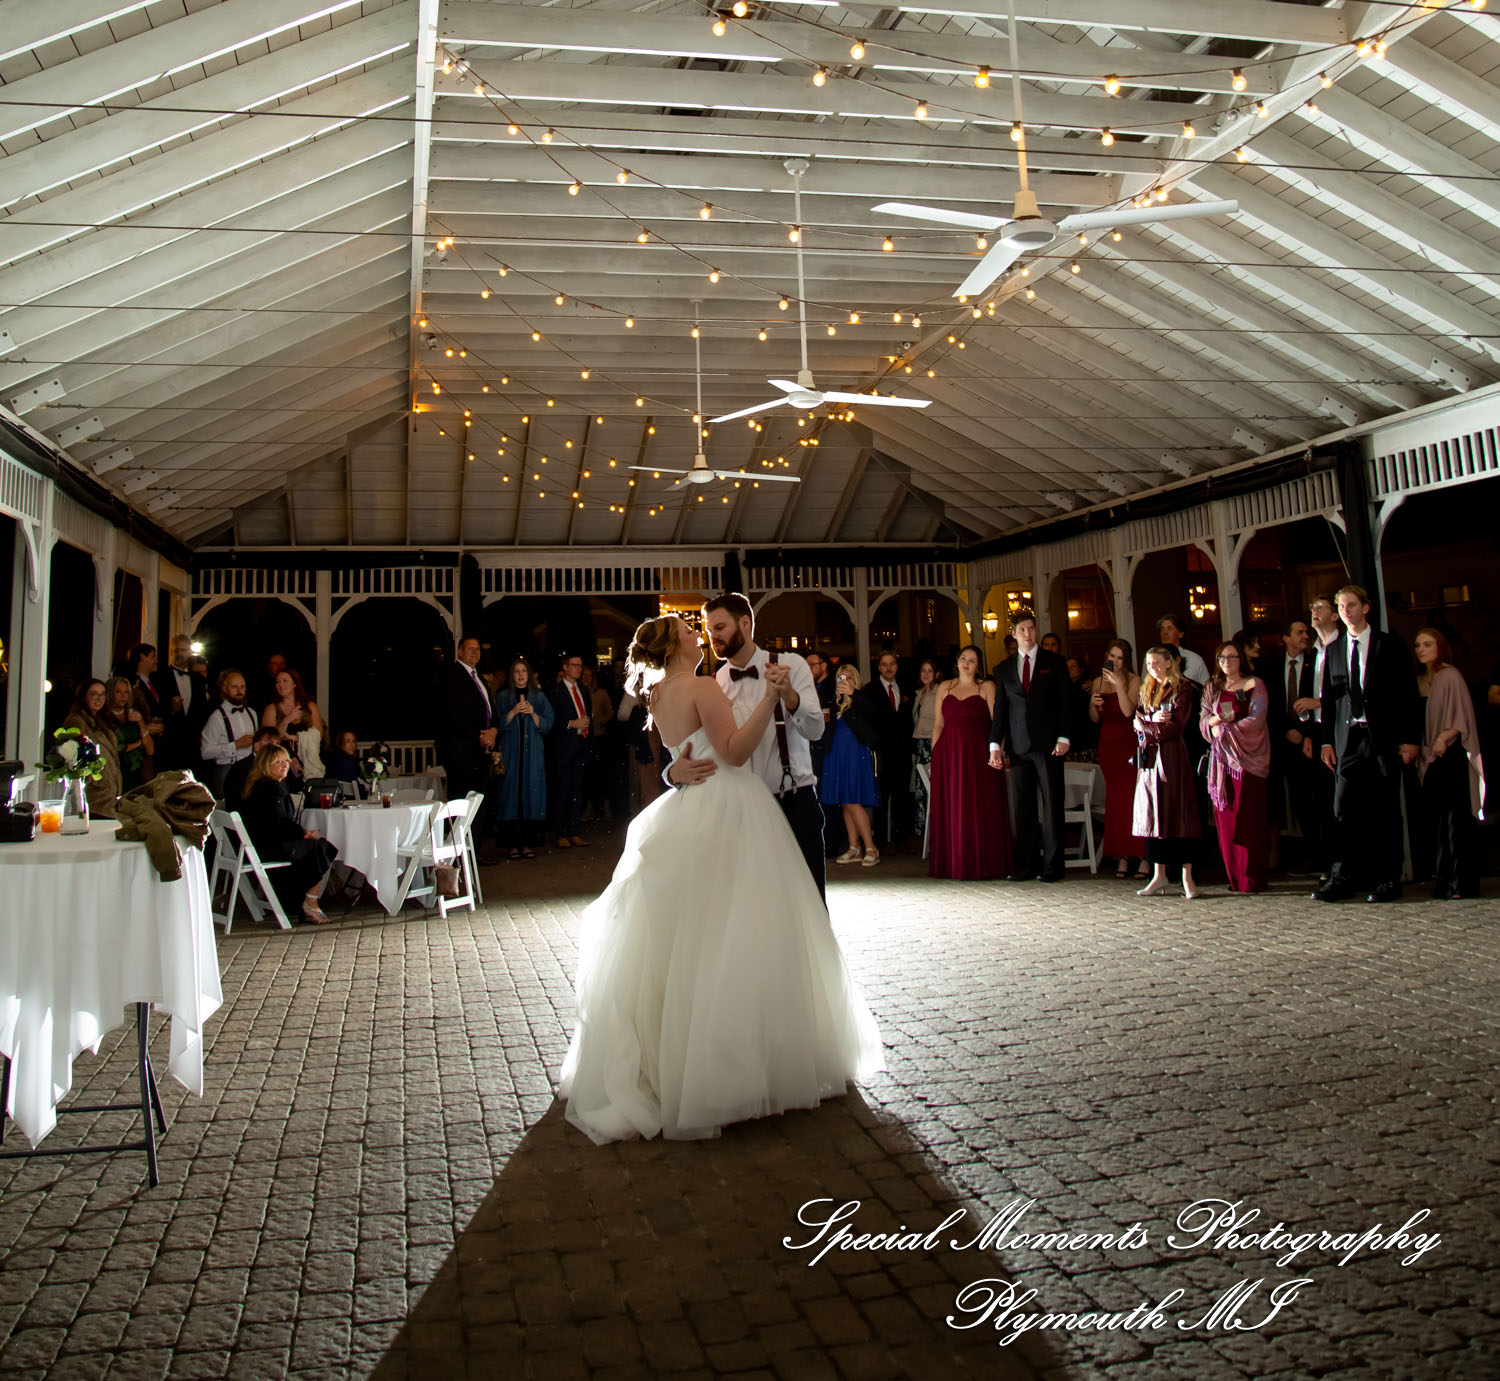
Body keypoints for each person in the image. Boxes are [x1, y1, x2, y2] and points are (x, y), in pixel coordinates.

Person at [558, 615, 880, 1144]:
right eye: (691, 633)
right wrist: (769, 705)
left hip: (689, 807)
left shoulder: (659, 693)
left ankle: (672, 1063)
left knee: (691, 937)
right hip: (730, 804)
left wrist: (670, 773)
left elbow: (678, 758)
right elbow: (732, 753)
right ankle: (737, 1066)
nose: (700, 638)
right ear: (676, 646)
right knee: (739, 932)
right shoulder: (705, 684)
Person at [666, 594, 828, 901]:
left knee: (809, 906)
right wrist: (672, 772)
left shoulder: (791, 665)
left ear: (746, 623)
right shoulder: (713, 684)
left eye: (721, 627)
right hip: (739, 813)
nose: (713, 635)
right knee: (755, 909)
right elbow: (693, 748)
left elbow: (816, 729)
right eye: (709, 629)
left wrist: (789, 697)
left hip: (792, 802)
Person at [1314, 585, 1420, 904]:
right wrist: (1326, 743)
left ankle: (1388, 879)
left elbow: (1408, 694)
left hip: (1383, 738)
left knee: (1385, 809)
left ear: (1366, 608)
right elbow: (1330, 700)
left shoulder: (1388, 645)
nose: (1345, 610)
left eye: (1351, 604)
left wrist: (1411, 739)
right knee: (1342, 808)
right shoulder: (1333, 650)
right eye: (1341, 605)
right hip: (1347, 740)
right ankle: (1343, 877)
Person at [988, 613, 1071, 882]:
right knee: (1022, 809)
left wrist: (1064, 737)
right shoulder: (1003, 669)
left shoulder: (1054, 662)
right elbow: (1000, 711)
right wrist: (994, 745)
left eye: (1031, 629)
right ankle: (1025, 866)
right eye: (1022, 629)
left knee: (1051, 806)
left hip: (1049, 744)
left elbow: (1065, 704)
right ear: (1014, 634)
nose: (1028, 634)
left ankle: (1053, 867)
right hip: (1018, 745)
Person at [928, 646, 1011, 880]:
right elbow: (938, 724)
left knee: (980, 804)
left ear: (978, 666)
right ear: (957, 662)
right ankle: (952, 862)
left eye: (972, 660)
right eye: (963, 658)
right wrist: (936, 758)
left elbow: (999, 723)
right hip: (948, 754)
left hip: (979, 754)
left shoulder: (987, 687)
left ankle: (985, 862)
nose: (966, 663)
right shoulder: (945, 687)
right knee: (953, 805)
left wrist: (998, 752)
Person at [1415, 628, 1484, 899]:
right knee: (1439, 822)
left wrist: (1446, 735)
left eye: (1427, 644)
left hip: (1450, 756)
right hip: (1431, 756)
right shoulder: (1422, 680)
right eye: (1418, 644)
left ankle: (1462, 883)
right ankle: (1444, 880)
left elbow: (1461, 714)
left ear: (1440, 647)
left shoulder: (1450, 676)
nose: (1421, 649)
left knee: (1456, 821)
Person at [237, 745, 339, 923]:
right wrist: (303, 834)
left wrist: (302, 833)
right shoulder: (271, 787)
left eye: (286, 760)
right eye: (278, 762)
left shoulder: (258, 785)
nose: (285, 765)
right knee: (322, 847)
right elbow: (278, 823)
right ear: (265, 765)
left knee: (317, 847)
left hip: (261, 845)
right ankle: (310, 902)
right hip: (271, 847)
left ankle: (303, 900)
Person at [1201, 641, 1271, 893]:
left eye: (1231, 657)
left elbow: (1257, 720)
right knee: (1228, 821)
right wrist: (1217, 720)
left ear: (1241, 659)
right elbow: (1204, 721)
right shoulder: (1213, 688)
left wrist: (1224, 728)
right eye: (1222, 657)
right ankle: (1234, 879)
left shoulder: (1255, 685)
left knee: (1248, 820)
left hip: (1248, 763)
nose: (1226, 662)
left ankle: (1252, 880)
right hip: (1222, 764)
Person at [1133, 647, 1202, 899]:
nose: (1153, 667)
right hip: (1151, 760)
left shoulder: (1182, 688)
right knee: (1154, 815)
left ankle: (1187, 875)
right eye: (1149, 663)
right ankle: (1158, 873)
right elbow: (1138, 720)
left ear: (1170, 663)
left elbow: (1175, 727)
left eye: (1158, 663)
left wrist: (1147, 725)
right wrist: (1150, 723)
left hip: (1175, 758)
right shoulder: (1147, 688)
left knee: (1179, 812)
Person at [1089, 639, 1147, 880]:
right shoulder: (1097, 681)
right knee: (1116, 802)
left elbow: (1127, 711)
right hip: (1108, 746)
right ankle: (1122, 855)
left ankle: (1143, 856)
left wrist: (1118, 686)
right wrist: (1093, 702)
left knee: (1133, 800)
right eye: (1112, 656)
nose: (1115, 661)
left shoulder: (1134, 681)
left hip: (1128, 744)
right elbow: (1094, 719)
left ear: (1126, 660)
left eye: (1120, 657)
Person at [1265, 617, 1318, 872]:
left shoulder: (1314, 662)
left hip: (1306, 741)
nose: (1304, 636)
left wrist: (1305, 732)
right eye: (1298, 632)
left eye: (1306, 632)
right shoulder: (1271, 665)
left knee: (1305, 800)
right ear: (1285, 638)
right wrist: (1286, 731)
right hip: (1277, 741)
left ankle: (1314, 854)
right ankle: (1274, 856)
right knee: (1273, 801)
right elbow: (1268, 705)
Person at [437, 635, 497, 842]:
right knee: (461, 802)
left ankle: (473, 851)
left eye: (478, 649)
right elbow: (454, 714)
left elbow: (490, 709)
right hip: (461, 752)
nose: (474, 652)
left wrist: (494, 730)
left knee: (477, 804)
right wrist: (478, 736)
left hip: (478, 752)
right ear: (460, 652)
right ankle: (458, 853)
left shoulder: (477, 677)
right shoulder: (453, 675)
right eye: (470, 649)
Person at [823, 663, 882, 867]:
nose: (844, 681)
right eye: (840, 677)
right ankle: (853, 846)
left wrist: (853, 694)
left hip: (856, 756)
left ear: (855, 680)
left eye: (848, 677)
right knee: (844, 801)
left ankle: (871, 847)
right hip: (837, 756)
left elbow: (874, 714)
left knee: (853, 801)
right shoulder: (834, 702)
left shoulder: (862, 699)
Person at [496, 656, 554, 859]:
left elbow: (548, 723)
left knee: (531, 795)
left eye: (523, 671)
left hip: (533, 755)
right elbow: (499, 725)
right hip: (512, 754)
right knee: (511, 795)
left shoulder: (538, 697)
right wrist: (512, 712)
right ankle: (512, 845)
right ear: (512, 676)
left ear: (528, 675)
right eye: (516, 672)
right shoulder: (504, 696)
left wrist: (533, 714)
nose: (520, 675)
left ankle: (528, 844)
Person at [865, 651, 912, 848]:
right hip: (882, 753)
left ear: (897, 666)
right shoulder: (869, 690)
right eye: (884, 664)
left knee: (902, 797)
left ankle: (901, 840)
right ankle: (882, 842)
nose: (889, 668)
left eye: (892, 664)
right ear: (878, 667)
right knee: (882, 798)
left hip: (902, 752)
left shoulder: (906, 688)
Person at [62, 679, 123, 819]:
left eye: (102, 694)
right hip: (95, 797)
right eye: (94, 694)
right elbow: (72, 757)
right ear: (84, 697)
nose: (99, 699)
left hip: (111, 796)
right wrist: (95, 779)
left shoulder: (101, 720)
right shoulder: (77, 721)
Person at [551, 653, 593, 849]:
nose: (578, 668)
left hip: (581, 745)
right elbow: (551, 721)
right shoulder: (557, 691)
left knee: (578, 789)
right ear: (565, 667)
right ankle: (561, 832)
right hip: (564, 747)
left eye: (580, 665)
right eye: (574, 665)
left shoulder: (583, 690)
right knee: (564, 789)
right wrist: (570, 723)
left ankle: (574, 831)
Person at [152, 633, 209, 775]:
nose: (179, 653)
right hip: (169, 742)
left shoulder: (199, 680)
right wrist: (170, 710)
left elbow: (202, 711)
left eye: (183, 650)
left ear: (190, 652)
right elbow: (155, 708)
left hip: (192, 744)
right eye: (177, 650)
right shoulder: (160, 676)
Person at [200, 669, 259, 797]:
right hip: (227, 771)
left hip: (251, 771)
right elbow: (205, 752)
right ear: (224, 688)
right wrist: (235, 745)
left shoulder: (252, 713)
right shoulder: (217, 717)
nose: (239, 690)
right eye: (234, 687)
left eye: (242, 686)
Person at [262, 667, 325, 776]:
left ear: (295, 684)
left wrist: (296, 738)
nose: (281, 685)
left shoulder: (310, 706)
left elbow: (319, 735)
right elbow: (268, 741)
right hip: (281, 766)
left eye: (285, 681)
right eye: (278, 682)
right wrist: (286, 720)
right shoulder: (271, 709)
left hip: (308, 762)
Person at [910, 658, 941, 844]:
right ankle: (923, 830)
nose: (926, 674)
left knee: (932, 785)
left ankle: (936, 829)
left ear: (936, 674)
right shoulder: (918, 694)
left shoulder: (939, 693)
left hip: (932, 740)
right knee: (920, 787)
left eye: (930, 670)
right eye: (923, 670)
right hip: (919, 742)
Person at [104, 674, 153, 791]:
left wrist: (141, 722)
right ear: (110, 693)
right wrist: (137, 744)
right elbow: (112, 749)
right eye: (118, 692)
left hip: (139, 773)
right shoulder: (104, 719)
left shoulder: (133, 716)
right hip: (116, 773)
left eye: (126, 692)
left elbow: (150, 749)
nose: (123, 696)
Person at [579, 664, 615, 824]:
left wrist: (597, 721)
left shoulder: (601, 694)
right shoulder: (578, 693)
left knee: (602, 774)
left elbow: (610, 713)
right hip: (583, 739)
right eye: (584, 675)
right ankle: (589, 808)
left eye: (589, 675)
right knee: (587, 775)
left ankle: (606, 808)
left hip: (599, 738)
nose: (587, 678)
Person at [224, 726, 283, 808]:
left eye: (278, 744)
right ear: (257, 746)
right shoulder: (242, 768)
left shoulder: (276, 768)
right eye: (270, 744)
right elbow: (238, 801)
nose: (275, 749)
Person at [1157, 614, 1209, 685]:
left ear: (1181, 634)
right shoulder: (1151, 658)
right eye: (1162, 629)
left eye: (1169, 628)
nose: (1165, 633)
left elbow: (1206, 687)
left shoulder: (1194, 659)